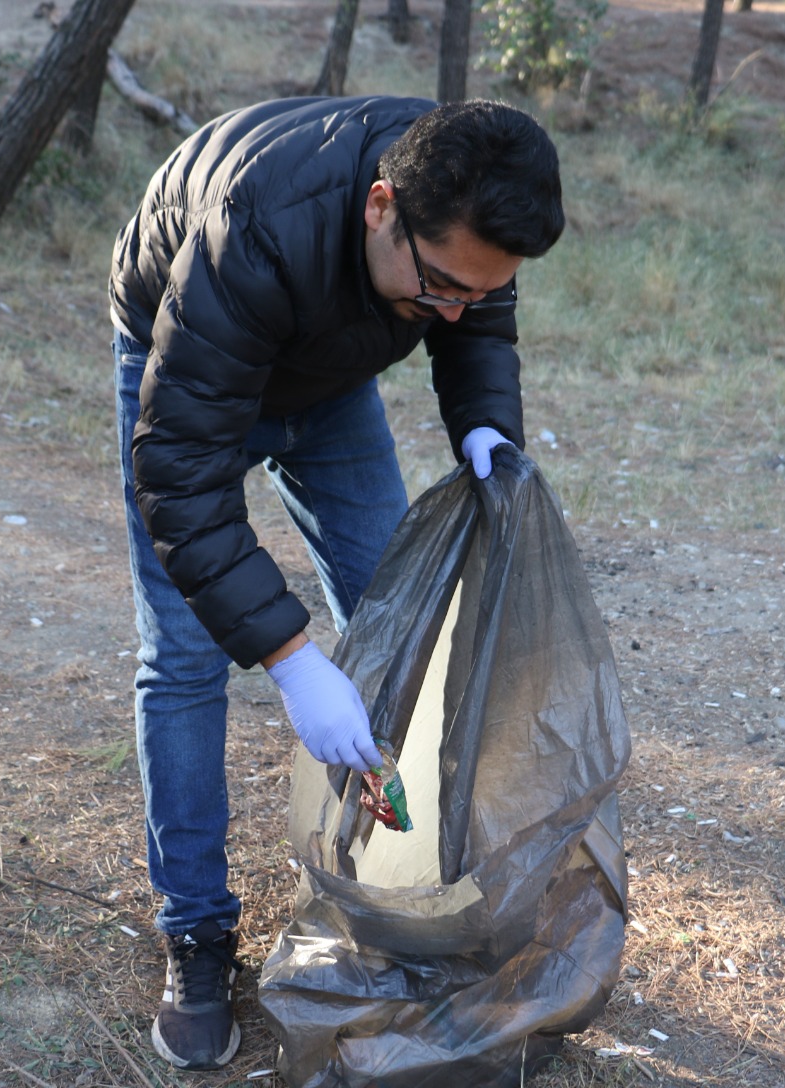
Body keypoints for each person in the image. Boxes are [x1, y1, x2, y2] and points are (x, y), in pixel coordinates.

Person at [108, 95, 565, 1071]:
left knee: (403, 623)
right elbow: (178, 478)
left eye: (476, 291)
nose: (454, 307)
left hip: (328, 374)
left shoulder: (463, 216)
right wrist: (288, 655)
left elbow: (473, 317)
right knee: (184, 654)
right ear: (379, 206)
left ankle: (407, 894)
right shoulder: (257, 229)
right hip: (182, 356)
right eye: (439, 283)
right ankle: (195, 934)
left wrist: (486, 424)